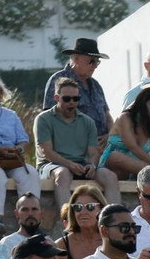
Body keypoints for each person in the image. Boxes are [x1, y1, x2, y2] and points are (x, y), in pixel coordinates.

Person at [0, 72, 42, 236]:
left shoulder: (11, 115)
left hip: (10, 159)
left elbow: (24, 140)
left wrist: (17, 150)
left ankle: (31, 222)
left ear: (0, 92)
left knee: (31, 173)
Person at [35, 77, 121, 206]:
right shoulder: (43, 119)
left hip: (80, 166)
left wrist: (91, 165)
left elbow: (93, 152)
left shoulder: (87, 122)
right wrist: (69, 164)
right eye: (67, 99)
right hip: (52, 165)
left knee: (110, 176)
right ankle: (67, 220)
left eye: (76, 99)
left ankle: (113, 219)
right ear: (57, 98)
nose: (72, 103)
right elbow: (46, 151)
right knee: (63, 174)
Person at [99, 85, 150, 180]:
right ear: (142, 103)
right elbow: (132, 147)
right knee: (115, 156)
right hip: (110, 168)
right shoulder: (125, 117)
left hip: (135, 172)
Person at [43, 38, 112, 141]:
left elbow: (107, 117)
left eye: (97, 62)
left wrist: (109, 136)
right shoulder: (58, 80)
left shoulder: (95, 85)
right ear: (76, 58)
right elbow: (50, 119)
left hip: (102, 147)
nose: (95, 66)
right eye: (91, 61)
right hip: (74, 147)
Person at [0, 192, 46, 259]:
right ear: (17, 214)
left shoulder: (48, 243)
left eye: (34, 209)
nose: (30, 213)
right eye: (25, 210)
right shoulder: (7, 243)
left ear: (42, 213)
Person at [54, 182, 106, 259]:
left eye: (90, 207)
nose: (83, 212)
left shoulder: (111, 241)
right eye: (78, 207)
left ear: (101, 209)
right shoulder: (61, 246)